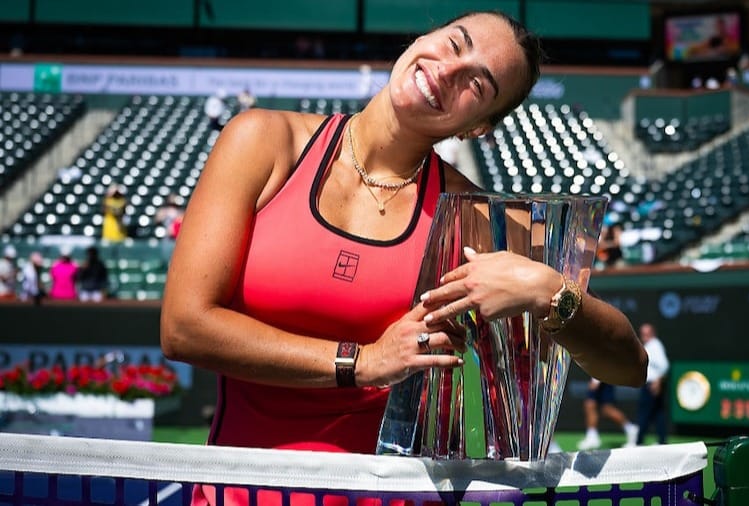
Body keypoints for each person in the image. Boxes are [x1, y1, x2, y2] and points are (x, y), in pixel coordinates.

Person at [160, 12, 647, 501]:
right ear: (422, 38)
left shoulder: (471, 216)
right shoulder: (262, 141)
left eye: (478, 84)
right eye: (455, 44)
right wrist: (362, 362)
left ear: (477, 128)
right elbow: (184, 327)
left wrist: (548, 291)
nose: (449, 71)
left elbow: (629, 367)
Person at [577, 377, 639, 450]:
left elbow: (600, 365)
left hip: (601, 377)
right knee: (595, 407)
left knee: (600, 407)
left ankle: (630, 428)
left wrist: (596, 380)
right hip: (602, 377)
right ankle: (592, 437)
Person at [635, 323, 669, 446]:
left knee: (644, 414)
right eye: (642, 333)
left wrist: (658, 381)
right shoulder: (651, 345)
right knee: (658, 414)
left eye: (646, 333)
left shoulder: (654, 345)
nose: (643, 336)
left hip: (652, 386)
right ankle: (662, 441)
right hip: (651, 385)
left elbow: (664, 365)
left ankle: (638, 442)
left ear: (652, 333)